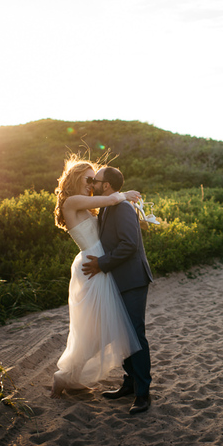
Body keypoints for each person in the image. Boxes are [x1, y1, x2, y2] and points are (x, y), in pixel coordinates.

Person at [51, 156, 143, 399]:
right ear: (76, 178)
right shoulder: (72, 201)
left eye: (94, 180)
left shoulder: (84, 204)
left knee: (98, 329)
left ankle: (69, 376)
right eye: (88, 179)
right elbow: (113, 198)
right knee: (99, 329)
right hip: (93, 266)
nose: (91, 184)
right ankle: (63, 377)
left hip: (100, 266)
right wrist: (128, 194)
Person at [82, 165, 154, 414]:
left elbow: (130, 245)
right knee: (122, 334)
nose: (91, 184)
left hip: (132, 280)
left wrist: (101, 264)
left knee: (135, 334)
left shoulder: (122, 208)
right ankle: (130, 383)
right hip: (118, 280)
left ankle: (143, 394)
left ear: (108, 185)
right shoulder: (107, 207)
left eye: (95, 180)